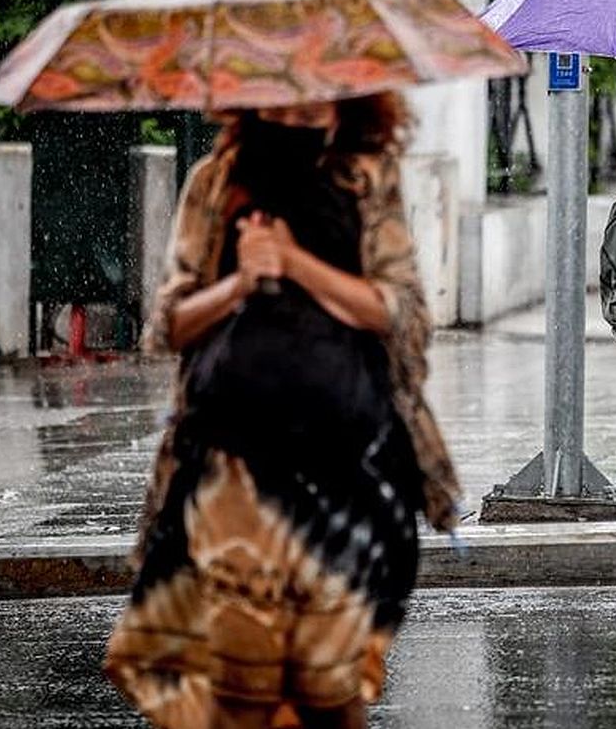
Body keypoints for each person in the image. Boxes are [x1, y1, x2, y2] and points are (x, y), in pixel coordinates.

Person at [105, 95, 461, 728]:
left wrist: (296, 263)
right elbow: (170, 325)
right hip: (232, 472)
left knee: (328, 688)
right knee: (238, 685)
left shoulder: (366, 177)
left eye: (313, 116)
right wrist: (241, 281)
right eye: (284, 115)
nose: (298, 127)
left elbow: (398, 311)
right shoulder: (215, 182)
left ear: (344, 108)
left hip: (348, 466)